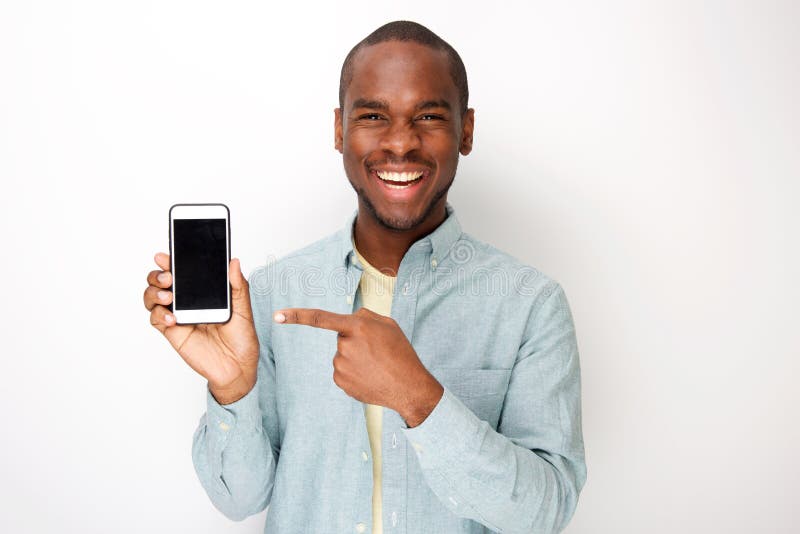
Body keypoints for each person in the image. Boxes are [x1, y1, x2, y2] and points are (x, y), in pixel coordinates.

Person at [144, 20, 586, 534]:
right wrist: (232, 388)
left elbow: (545, 513)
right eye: (374, 115)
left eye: (428, 115)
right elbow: (239, 499)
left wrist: (418, 397)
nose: (401, 143)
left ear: (466, 131)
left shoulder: (532, 306)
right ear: (340, 130)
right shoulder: (269, 296)